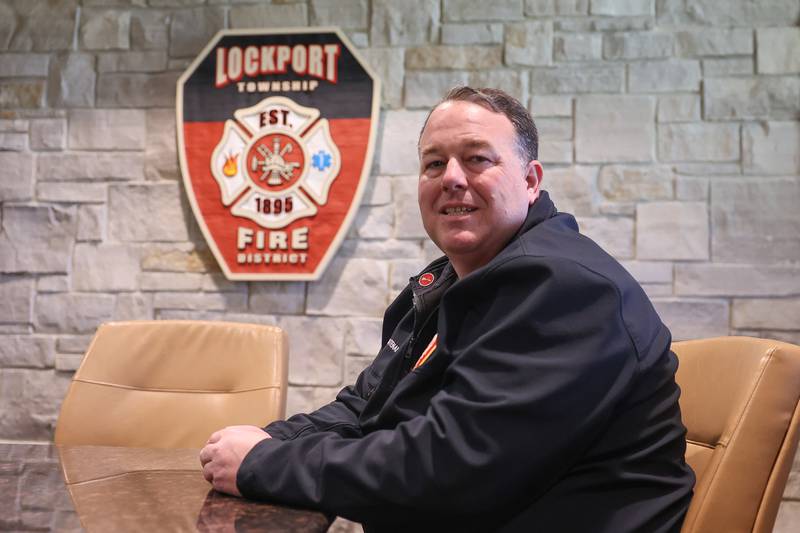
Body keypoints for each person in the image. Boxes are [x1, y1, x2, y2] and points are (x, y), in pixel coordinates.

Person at [199, 87, 695, 532]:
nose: (452, 178)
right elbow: (369, 405)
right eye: (434, 164)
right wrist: (269, 439)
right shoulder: (454, 280)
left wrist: (264, 464)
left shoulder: (564, 288)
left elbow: (451, 469)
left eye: (477, 159)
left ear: (530, 180)